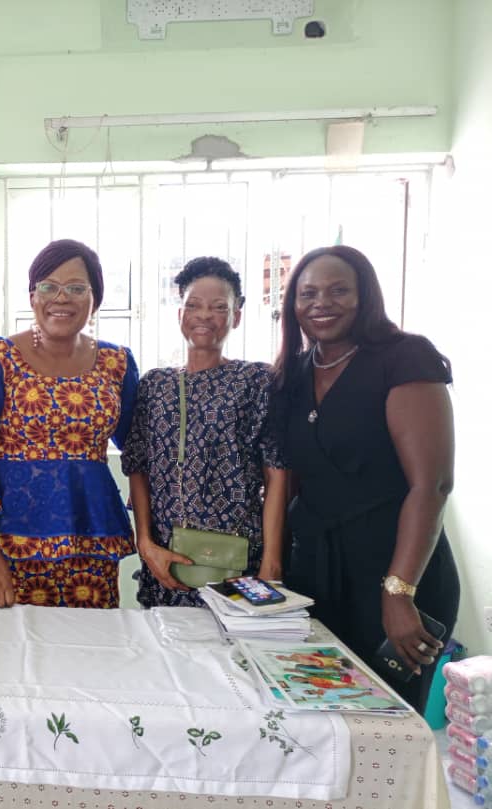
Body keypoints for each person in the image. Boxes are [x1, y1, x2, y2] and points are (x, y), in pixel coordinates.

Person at [273, 244, 458, 713]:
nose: (321, 302)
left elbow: (432, 485)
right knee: (316, 713)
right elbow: (290, 477)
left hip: (395, 569)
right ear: (292, 304)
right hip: (314, 570)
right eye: (308, 292)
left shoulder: (403, 357)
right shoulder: (293, 373)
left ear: (364, 297)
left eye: (339, 290)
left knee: (387, 719)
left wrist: (398, 592)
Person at [0, 239, 138, 608]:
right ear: (32, 297)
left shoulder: (118, 364)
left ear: (95, 299)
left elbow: (141, 450)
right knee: (7, 655)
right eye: (48, 287)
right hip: (8, 547)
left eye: (77, 288)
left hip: (90, 539)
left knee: (91, 651)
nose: (61, 298)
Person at [121, 257, 287, 608]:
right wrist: (145, 544)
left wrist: (271, 562)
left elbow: (276, 474)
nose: (204, 316)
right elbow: (137, 467)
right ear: (179, 314)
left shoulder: (256, 380)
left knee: (231, 655)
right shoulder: (155, 385)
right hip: (167, 561)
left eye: (218, 307)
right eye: (193, 305)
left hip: (239, 560)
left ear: (236, 316)